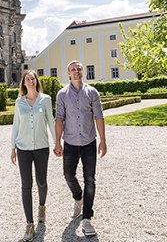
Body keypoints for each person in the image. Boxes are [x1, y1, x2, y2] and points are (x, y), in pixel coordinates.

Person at [54, 60, 106, 237]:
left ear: (82, 71)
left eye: (79, 69)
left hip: (89, 142)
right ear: (68, 73)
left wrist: (103, 140)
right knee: (68, 175)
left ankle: (87, 218)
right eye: (73, 69)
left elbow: (99, 117)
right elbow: (59, 119)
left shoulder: (92, 92)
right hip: (70, 142)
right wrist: (57, 142)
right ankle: (78, 198)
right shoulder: (62, 94)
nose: (76, 71)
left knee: (90, 179)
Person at [11, 70, 55, 241]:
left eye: (33, 78)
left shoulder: (46, 99)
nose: (30, 81)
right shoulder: (19, 102)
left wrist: (57, 143)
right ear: (23, 83)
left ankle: (42, 207)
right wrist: (13, 147)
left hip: (42, 147)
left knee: (41, 182)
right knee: (26, 185)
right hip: (23, 148)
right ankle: (29, 224)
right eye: (27, 79)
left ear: (36, 81)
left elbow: (50, 121)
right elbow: (16, 125)